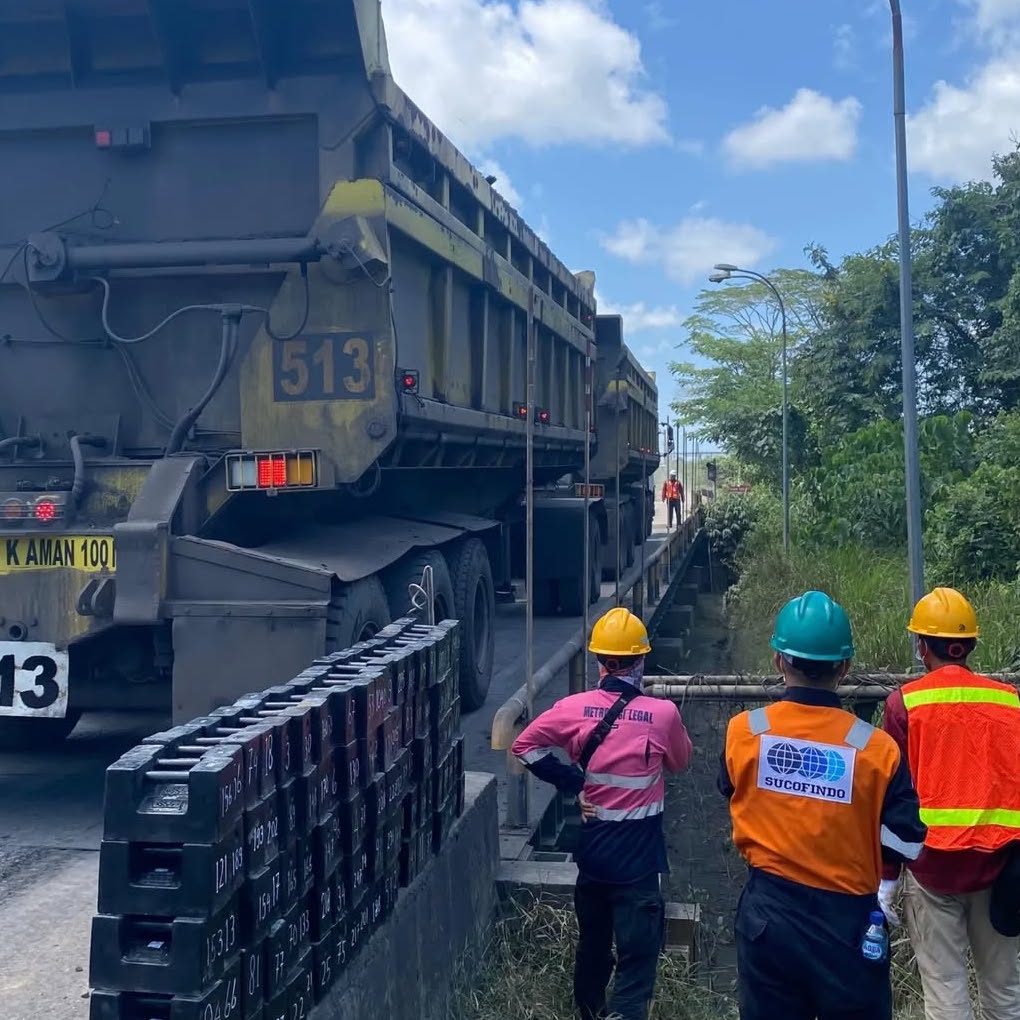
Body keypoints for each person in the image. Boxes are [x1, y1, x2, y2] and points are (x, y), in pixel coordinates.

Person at [718, 590, 926, 1020]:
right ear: (845, 667)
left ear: (779, 661)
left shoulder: (745, 731)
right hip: (846, 926)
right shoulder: (876, 749)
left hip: (768, 918)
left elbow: (732, 790)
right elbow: (908, 843)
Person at [511, 606, 693, 1020]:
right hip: (639, 861)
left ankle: (589, 1012)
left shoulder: (573, 708)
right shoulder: (662, 715)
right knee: (638, 958)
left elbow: (524, 745)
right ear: (641, 660)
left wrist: (575, 784)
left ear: (599, 662)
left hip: (594, 856)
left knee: (592, 946)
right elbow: (681, 763)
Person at [881, 587, 1020, 1020]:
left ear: (923, 647)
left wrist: (886, 878)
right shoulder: (1009, 702)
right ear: (971, 646)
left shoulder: (904, 703)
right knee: (1006, 994)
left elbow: (894, 798)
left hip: (932, 870)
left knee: (945, 998)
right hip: (1002, 869)